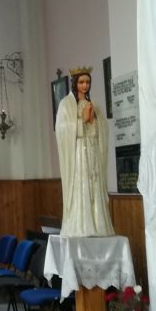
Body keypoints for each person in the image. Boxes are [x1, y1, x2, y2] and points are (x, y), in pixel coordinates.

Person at [55, 69, 115, 237]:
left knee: (94, 183)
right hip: (78, 153)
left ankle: (98, 225)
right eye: (81, 82)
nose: (85, 85)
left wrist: (95, 121)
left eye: (87, 82)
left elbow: (102, 127)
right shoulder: (66, 104)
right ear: (75, 83)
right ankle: (80, 226)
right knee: (81, 185)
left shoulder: (94, 104)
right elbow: (61, 129)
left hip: (93, 150)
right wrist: (82, 120)